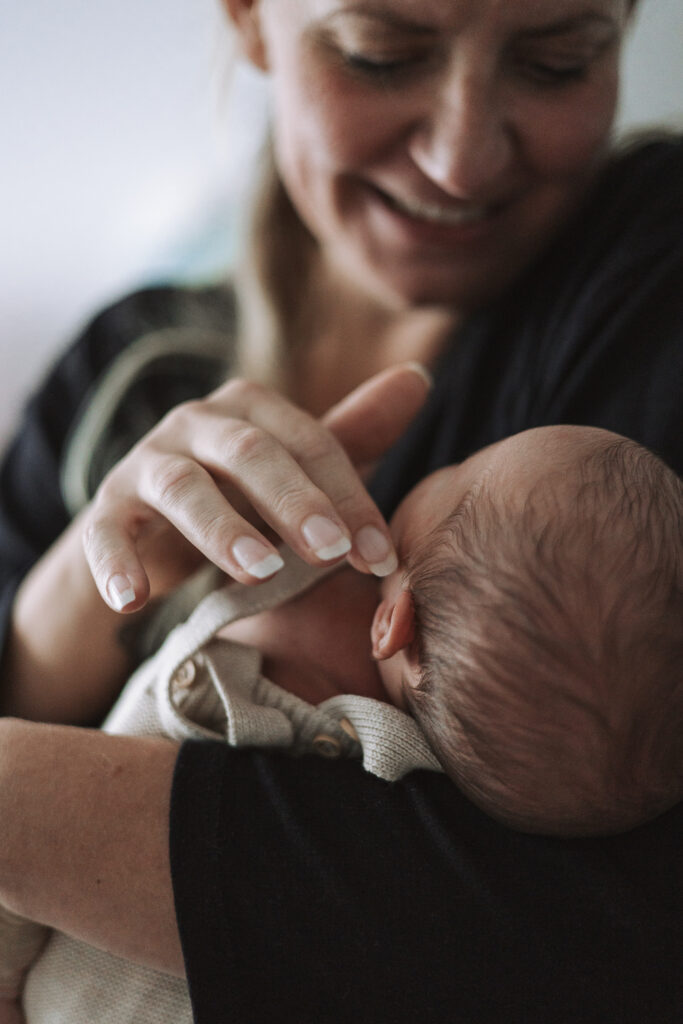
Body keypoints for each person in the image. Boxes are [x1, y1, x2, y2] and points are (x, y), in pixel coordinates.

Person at [0, 0, 681, 1021]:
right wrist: (82, 591)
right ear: (247, 19)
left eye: (555, 59)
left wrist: (22, 807)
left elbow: (621, 928)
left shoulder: (652, 274)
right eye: (381, 54)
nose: (459, 161)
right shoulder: (127, 369)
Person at [3, 423, 683, 1021]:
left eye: (458, 475)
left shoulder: (300, 672)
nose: (438, 466)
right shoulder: (447, 814)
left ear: (393, 624)